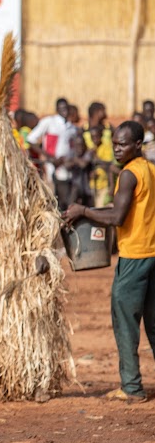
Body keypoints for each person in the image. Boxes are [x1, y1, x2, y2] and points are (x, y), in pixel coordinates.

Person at [64, 122, 155, 402]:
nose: (117, 149)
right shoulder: (150, 170)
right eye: (115, 143)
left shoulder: (129, 174)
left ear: (138, 144)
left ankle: (131, 386)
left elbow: (117, 218)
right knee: (153, 323)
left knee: (124, 321)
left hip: (134, 256)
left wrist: (83, 210)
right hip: (152, 253)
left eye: (123, 144)